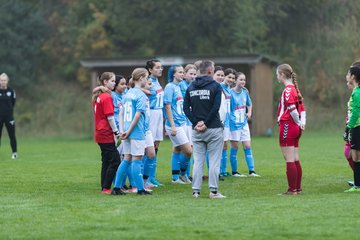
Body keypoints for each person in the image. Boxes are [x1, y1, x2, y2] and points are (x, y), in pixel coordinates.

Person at [183, 60, 226, 199]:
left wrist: (196, 123)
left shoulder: (190, 87)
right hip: (213, 128)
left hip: (196, 130)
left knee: (198, 161)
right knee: (214, 161)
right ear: (210, 70)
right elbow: (216, 107)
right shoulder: (216, 86)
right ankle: (213, 192)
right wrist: (205, 123)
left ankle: (195, 191)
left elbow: (185, 108)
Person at [113, 68, 151, 195]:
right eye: (146, 77)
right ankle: (140, 189)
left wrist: (122, 130)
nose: (147, 80)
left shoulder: (127, 94)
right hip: (136, 131)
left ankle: (117, 187)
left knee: (127, 158)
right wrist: (128, 131)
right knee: (137, 159)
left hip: (126, 131)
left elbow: (121, 113)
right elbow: (137, 115)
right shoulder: (140, 95)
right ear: (141, 79)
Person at [276, 64, 306, 195]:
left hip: (288, 124)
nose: (277, 77)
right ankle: (297, 188)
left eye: (277, 74)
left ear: (282, 75)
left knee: (289, 159)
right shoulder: (295, 89)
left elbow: (293, 109)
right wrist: (302, 123)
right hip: (295, 127)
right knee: (294, 158)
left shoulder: (288, 90)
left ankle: (292, 189)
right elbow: (302, 109)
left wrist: (298, 122)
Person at [92, 72, 122, 194]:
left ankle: (104, 187)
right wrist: (116, 132)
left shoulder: (99, 96)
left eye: (115, 81)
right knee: (115, 161)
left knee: (106, 161)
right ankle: (106, 187)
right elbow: (110, 117)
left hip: (99, 133)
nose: (114, 83)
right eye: (112, 81)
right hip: (106, 133)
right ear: (105, 82)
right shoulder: (107, 97)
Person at [165, 65, 192, 184]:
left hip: (182, 122)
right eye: (180, 72)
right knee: (188, 151)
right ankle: (182, 174)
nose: (183, 74)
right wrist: (173, 125)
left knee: (177, 149)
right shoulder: (169, 87)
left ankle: (175, 178)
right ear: (173, 74)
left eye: (183, 72)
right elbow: (167, 106)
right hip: (175, 124)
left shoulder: (177, 87)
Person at [229, 72, 260, 177]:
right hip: (234, 125)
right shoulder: (230, 93)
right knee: (235, 147)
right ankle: (234, 172)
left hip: (244, 124)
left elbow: (249, 104)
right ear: (235, 80)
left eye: (244, 80)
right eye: (241, 79)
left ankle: (252, 171)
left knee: (247, 146)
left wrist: (249, 112)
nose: (243, 82)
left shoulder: (245, 92)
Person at [146, 59, 164, 186]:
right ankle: (145, 178)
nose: (160, 69)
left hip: (159, 114)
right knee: (149, 146)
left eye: (161, 67)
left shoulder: (157, 81)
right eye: (157, 67)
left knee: (156, 146)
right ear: (150, 70)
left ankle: (152, 177)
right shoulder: (147, 82)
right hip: (151, 114)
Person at [179, 64, 197, 178]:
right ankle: (181, 174)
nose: (193, 76)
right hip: (183, 121)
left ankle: (187, 174)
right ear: (185, 74)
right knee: (186, 149)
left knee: (192, 147)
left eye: (195, 74)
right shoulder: (181, 86)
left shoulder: (194, 85)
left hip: (191, 120)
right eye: (191, 74)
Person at [344, 61, 360, 192]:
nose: (347, 75)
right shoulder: (356, 91)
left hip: (357, 127)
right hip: (356, 126)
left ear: (353, 77)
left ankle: (357, 185)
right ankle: (357, 184)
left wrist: (349, 127)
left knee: (356, 156)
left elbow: (356, 112)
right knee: (355, 156)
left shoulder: (357, 92)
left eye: (349, 74)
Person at [0, 73, 17, 160]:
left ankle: (14, 153)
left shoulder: (11, 91)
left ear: (7, 81)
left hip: (9, 117)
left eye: (4, 80)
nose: (3, 82)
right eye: (1, 80)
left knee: (12, 135)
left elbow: (13, 103)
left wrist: (8, 112)